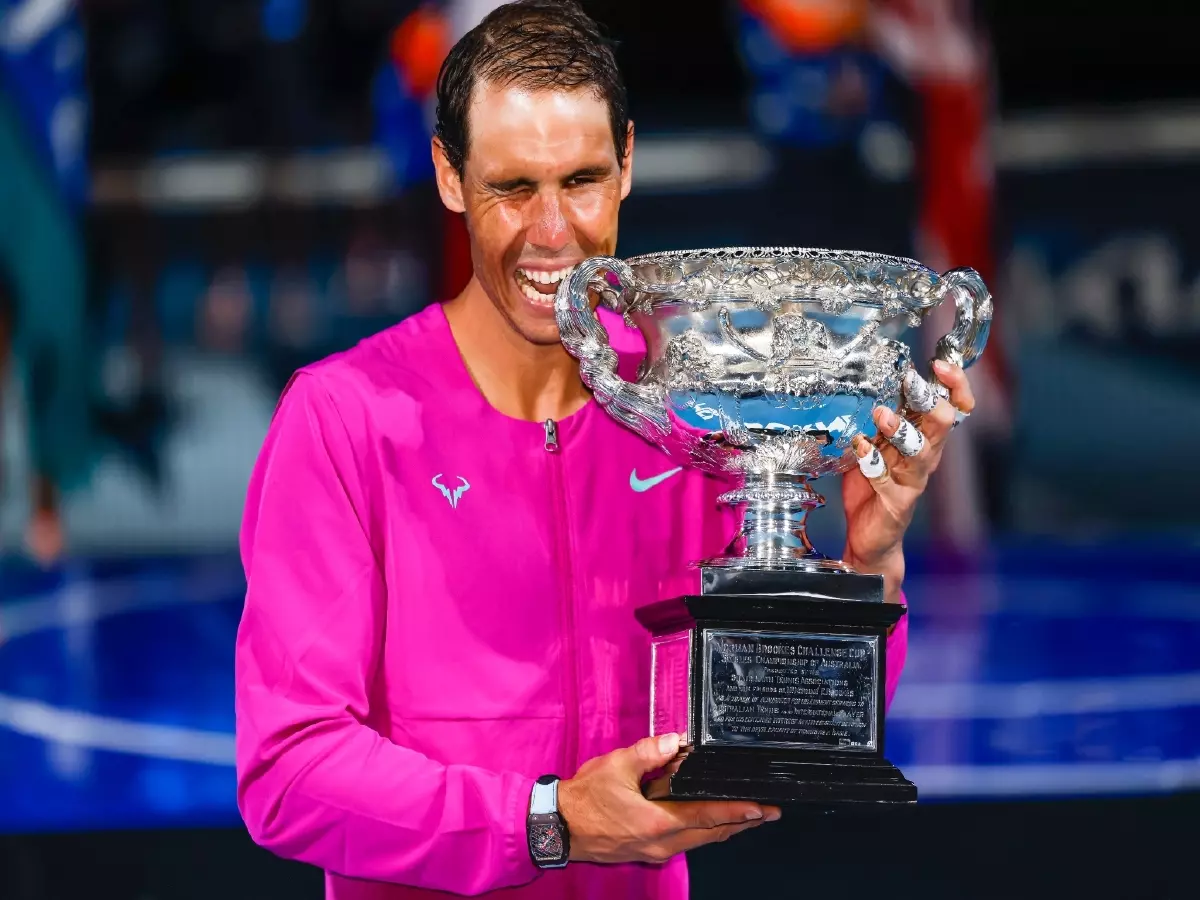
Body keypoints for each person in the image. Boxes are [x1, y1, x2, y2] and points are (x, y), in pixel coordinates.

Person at [233, 2, 976, 898]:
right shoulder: (344, 418)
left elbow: (791, 729)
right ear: (449, 176)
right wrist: (548, 822)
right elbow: (288, 772)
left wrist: (867, 558)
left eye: (581, 180)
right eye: (512, 187)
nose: (552, 233)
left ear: (627, 163)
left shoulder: (693, 409)